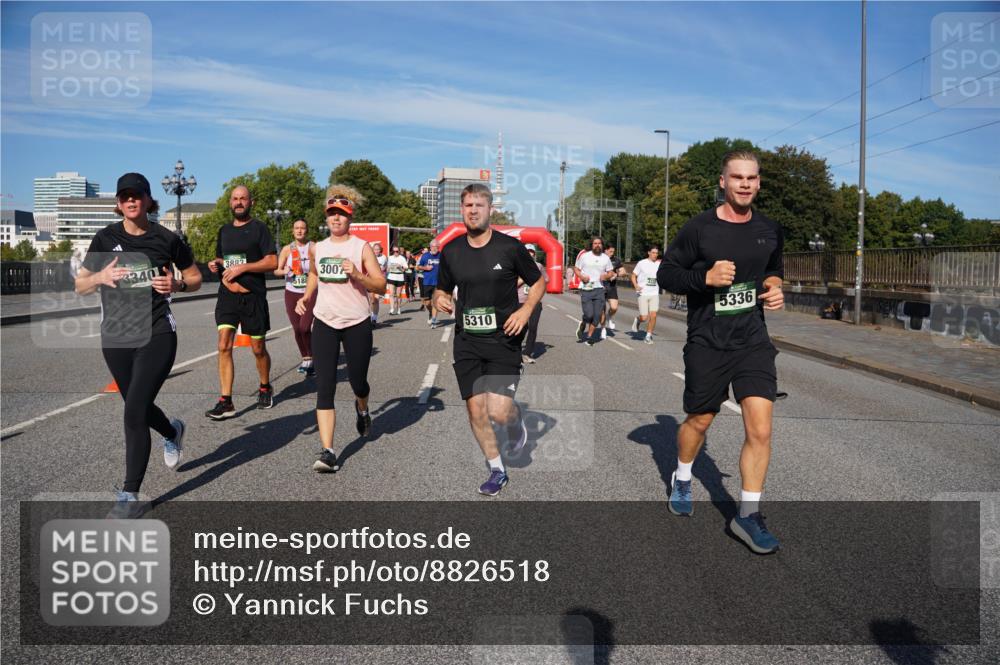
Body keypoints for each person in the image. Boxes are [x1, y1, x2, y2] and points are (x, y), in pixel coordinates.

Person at [657, 150, 785, 554]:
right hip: (708, 341)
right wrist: (705, 277)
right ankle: (682, 476)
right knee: (699, 420)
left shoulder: (769, 228)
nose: (745, 184)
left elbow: (773, 267)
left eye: (752, 178)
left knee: (760, 428)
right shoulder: (699, 229)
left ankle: (747, 516)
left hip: (752, 340)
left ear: (758, 183)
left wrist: (774, 286)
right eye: (737, 177)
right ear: (723, 181)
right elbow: (667, 275)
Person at [74, 173, 203, 514]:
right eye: (124, 197)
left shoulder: (166, 238)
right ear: (118, 203)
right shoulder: (105, 238)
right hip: (116, 336)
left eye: (137, 196)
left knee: (132, 411)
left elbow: (195, 278)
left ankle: (129, 497)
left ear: (148, 200)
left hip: (157, 332)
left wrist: (177, 286)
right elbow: (81, 285)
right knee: (137, 405)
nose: (130, 201)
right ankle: (172, 430)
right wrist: (100, 277)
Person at [434, 184, 544, 496]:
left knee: (498, 411)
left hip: (503, 340)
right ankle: (497, 469)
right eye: (467, 205)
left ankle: (515, 420)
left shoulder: (509, 248)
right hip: (467, 339)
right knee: (475, 410)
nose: (472, 210)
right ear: (461, 210)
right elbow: (441, 289)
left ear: (490, 209)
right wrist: (439, 298)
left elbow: (539, 282)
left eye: (478, 205)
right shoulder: (452, 251)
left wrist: (524, 311)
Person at [297, 186, 386, 472]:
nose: (336, 219)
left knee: (358, 382)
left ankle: (362, 407)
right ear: (327, 218)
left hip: (356, 323)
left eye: (342, 215)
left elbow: (381, 285)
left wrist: (357, 274)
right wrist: (307, 296)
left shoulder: (360, 247)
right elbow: (313, 273)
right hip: (324, 322)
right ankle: (328, 451)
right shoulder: (318, 248)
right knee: (325, 387)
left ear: (350, 217)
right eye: (332, 214)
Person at [205, 185, 278, 418]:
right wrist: (215, 264)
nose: (239, 202)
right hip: (227, 295)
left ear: (251, 202)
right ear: (230, 202)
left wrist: (244, 267)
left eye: (243, 199)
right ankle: (226, 400)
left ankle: (265, 386)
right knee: (223, 344)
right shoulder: (224, 230)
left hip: (252, 296)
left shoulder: (259, 229)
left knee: (258, 349)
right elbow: (221, 257)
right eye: (235, 199)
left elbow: (272, 262)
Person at [274, 219, 315, 375]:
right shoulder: (287, 249)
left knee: (305, 327)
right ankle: (306, 357)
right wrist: (283, 271)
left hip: (309, 292)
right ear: (292, 231)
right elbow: (276, 270)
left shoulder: (313, 247)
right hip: (291, 291)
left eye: (302, 228)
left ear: (307, 230)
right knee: (297, 328)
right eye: (296, 228)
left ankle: (312, 357)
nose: (299, 231)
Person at [573, 237, 615, 346]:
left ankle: (589, 337)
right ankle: (583, 321)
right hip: (587, 288)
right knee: (589, 315)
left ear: (602, 245)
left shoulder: (606, 258)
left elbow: (611, 272)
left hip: (599, 289)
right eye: (595, 243)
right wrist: (582, 277)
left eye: (599, 243)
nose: (597, 245)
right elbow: (576, 269)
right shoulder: (584, 256)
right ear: (592, 245)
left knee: (597, 316)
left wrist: (606, 275)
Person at [518, 243, 548, 363]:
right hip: (519, 301)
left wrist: (539, 291)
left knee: (533, 327)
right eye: (527, 251)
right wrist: (526, 277)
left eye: (532, 251)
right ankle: (515, 350)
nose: (530, 253)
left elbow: (546, 280)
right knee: (521, 327)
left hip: (535, 301)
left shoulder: (539, 266)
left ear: (534, 254)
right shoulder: (517, 265)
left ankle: (527, 353)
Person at [630, 246, 662, 344]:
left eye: (656, 253)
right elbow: (633, 275)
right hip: (643, 293)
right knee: (644, 317)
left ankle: (648, 336)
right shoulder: (642, 263)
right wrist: (636, 285)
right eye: (653, 252)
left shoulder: (659, 264)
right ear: (649, 253)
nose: (655, 255)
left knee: (653, 315)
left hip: (654, 293)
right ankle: (638, 320)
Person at [598, 245, 625, 339]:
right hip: (600, 286)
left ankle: (609, 316)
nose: (612, 253)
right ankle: (603, 329)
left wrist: (616, 274)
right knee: (601, 310)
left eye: (613, 251)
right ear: (605, 250)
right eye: (610, 251)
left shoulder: (616, 260)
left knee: (614, 307)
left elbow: (623, 271)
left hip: (611, 287)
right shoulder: (599, 258)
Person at [418, 239, 442, 328]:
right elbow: (418, 266)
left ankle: (434, 321)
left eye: (436, 247)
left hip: (438, 282)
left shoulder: (442, 255)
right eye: (433, 247)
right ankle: (431, 313)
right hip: (427, 282)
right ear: (430, 247)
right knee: (427, 303)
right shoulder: (425, 256)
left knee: (435, 302)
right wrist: (425, 268)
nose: (435, 248)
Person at [386, 245, 408, 315]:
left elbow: (405, 268)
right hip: (391, 276)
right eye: (394, 251)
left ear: (399, 251)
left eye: (397, 251)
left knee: (398, 295)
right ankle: (392, 308)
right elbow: (388, 268)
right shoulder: (390, 258)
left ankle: (398, 308)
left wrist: (400, 267)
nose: (395, 253)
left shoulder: (402, 258)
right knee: (391, 294)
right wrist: (388, 269)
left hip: (399, 277)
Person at [369, 242, 387, 325]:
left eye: (378, 249)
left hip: (378, 280)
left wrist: (384, 269)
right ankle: (371, 315)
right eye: (375, 249)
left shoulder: (384, 258)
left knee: (376, 299)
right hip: (370, 280)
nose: (376, 251)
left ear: (380, 250)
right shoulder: (369, 257)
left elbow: (386, 268)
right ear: (373, 250)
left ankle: (374, 319)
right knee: (372, 300)